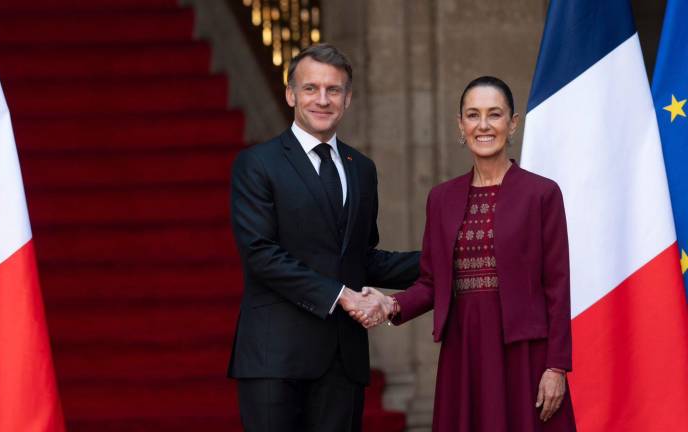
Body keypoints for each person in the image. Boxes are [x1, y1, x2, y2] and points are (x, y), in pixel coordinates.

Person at [353, 76, 576, 431]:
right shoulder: (441, 198)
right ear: (461, 125)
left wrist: (556, 367)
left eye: (494, 115)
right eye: (473, 115)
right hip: (465, 353)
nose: (483, 125)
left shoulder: (543, 194)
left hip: (525, 357)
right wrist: (391, 305)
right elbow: (430, 282)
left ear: (512, 123)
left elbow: (558, 287)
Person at [228, 43, 420, 432]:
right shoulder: (257, 164)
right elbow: (262, 255)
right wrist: (343, 295)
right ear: (290, 94)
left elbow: (361, 259)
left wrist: (450, 256)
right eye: (311, 88)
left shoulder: (361, 169)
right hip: (275, 358)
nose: (322, 99)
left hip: (342, 361)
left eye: (333, 90)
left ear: (347, 99)